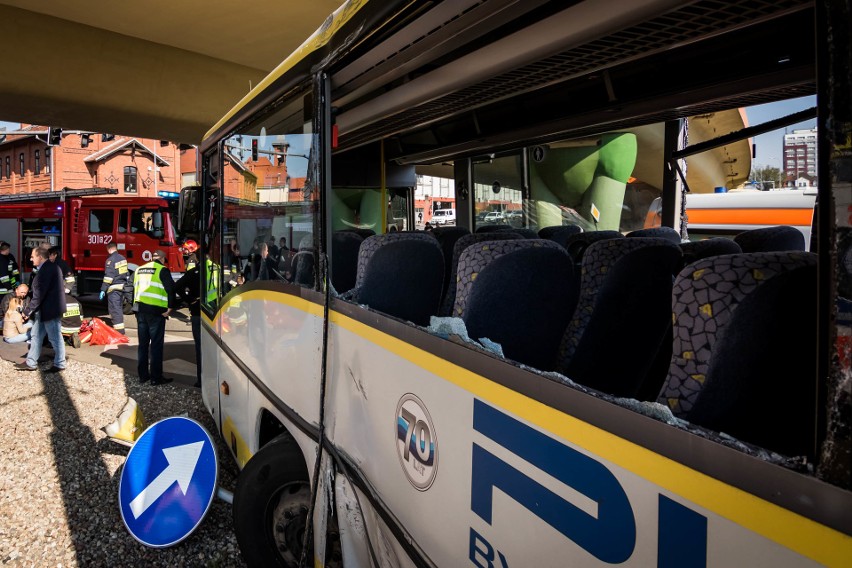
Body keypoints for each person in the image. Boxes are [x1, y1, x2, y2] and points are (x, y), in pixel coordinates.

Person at [15, 247, 66, 372]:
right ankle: (31, 362)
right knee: (36, 335)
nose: (31, 259)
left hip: (49, 309)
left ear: (40, 257)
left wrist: (28, 311)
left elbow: (39, 294)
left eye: (33, 256)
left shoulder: (47, 269)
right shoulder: (48, 268)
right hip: (44, 309)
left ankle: (60, 363)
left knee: (54, 337)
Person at [133, 249, 175, 385]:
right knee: (156, 345)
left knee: (143, 345)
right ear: (162, 259)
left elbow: (131, 287)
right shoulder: (162, 270)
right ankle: (156, 378)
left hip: (141, 310)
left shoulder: (139, 269)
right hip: (156, 313)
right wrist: (170, 308)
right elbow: (171, 290)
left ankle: (143, 376)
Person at [176, 264, 201, 387]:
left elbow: (177, 286)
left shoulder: (192, 272)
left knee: (199, 347)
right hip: (215, 313)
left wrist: (189, 299)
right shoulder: (215, 269)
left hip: (197, 312)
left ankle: (200, 380)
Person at [101, 242, 128, 334]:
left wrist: (103, 289)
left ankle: (119, 332)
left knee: (115, 309)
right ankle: (120, 329)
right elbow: (125, 273)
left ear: (109, 249)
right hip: (122, 287)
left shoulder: (110, 260)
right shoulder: (123, 258)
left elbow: (109, 277)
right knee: (119, 308)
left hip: (114, 288)